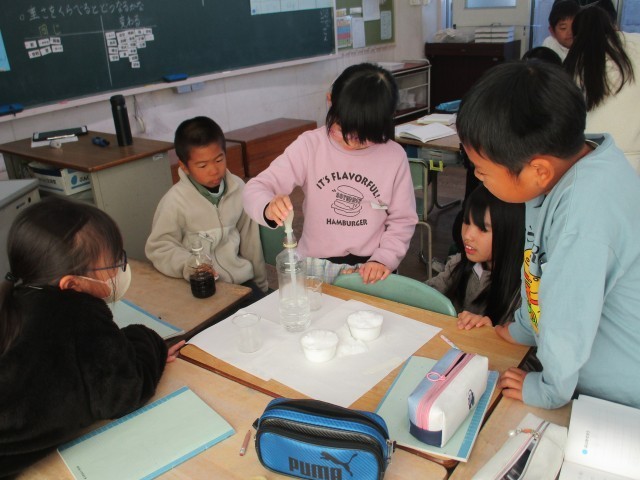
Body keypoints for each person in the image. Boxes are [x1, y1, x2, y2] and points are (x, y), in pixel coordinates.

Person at [456, 60, 640, 410]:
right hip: (582, 372)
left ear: (537, 170)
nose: (479, 179)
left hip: (616, 396)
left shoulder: (582, 215)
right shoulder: (560, 171)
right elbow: (535, 265)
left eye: (482, 171)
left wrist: (549, 389)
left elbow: (568, 317)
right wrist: (524, 328)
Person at [0, 197, 183, 476]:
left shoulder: (20, 297)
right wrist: (150, 341)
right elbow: (125, 393)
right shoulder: (76, 314)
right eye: (112, 264)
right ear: (72, 284)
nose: (119, 269)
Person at [242, 63, 417, 285]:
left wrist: (384, 259)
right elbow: (255, 188)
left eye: (363, 136)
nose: (351, 142)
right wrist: (267, 207)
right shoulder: (310, 146)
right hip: (316, 264)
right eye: (343, 130)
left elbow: (402, 220)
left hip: (372, 266)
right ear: (330, 102)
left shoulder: (394, 156)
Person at [145, 116, 268, 299]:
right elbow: (159, 248)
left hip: (242, 283)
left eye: (219, 160)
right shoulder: (174, 201)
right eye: (202, 165)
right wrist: (190, 265)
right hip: (203, 288)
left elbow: (251, 242)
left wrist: (261, 285)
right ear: (184, 167)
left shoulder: (238, 188)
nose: (214, 170)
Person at [427, 185, 524, 330]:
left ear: (511, 234)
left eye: (483, 229)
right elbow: (426, 293)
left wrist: (491, 331)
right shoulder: (459, 264)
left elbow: (524, 340)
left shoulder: (524, 291)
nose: (467, 235)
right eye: (466, 222)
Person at [564, 4, 640, 173]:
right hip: (635, 155)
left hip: (589, 154)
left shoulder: (574, 61)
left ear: (576, 36)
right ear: (614, 26)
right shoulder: (635, 42)